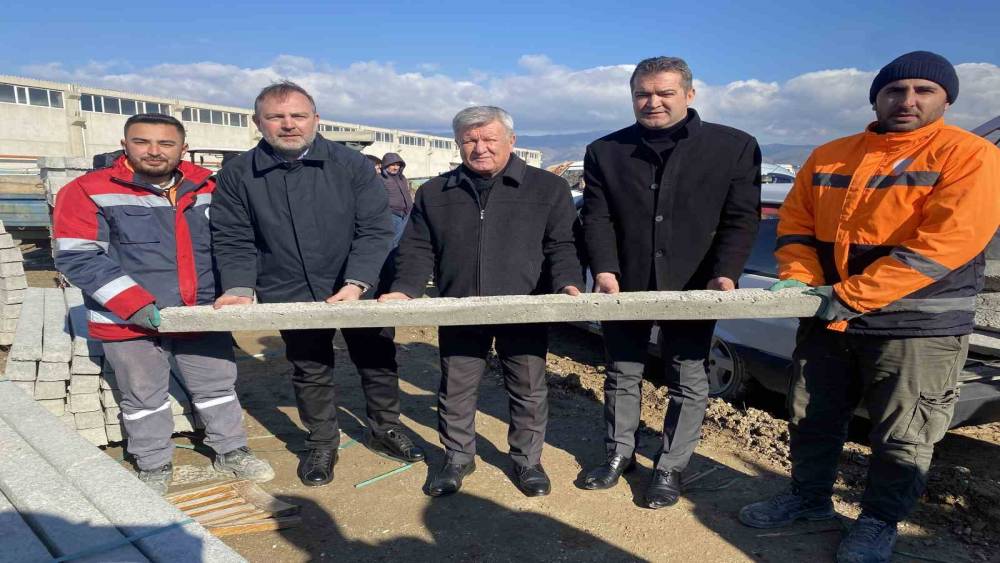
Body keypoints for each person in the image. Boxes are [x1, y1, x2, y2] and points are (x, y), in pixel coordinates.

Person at [738, 51, 1000, 563]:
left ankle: (879, 522)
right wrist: (803, 284)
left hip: (916, 327)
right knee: (811, 416)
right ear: (875, 98)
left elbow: (945, 244)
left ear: (946, 100)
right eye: (894, 90)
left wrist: (845, 297)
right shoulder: (830, 156)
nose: (907, 100)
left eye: (924, 90)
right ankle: (809, 500)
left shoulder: (969, 156)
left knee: (904, 433)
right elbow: (795, 227)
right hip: (828, 321)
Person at [210, 81, 425, 488]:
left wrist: (357, 282)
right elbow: (233, 237)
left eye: (298, 115)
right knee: (310, 367)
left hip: (359, 282)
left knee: (377, 358)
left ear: (316, 119)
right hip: (288, 285)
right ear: (258, 122)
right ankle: (322, 440)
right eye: (276, 117)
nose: (288, 124)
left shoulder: (351, 165)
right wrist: (239, 286)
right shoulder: (239, 174)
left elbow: (375, 228)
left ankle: (385, 427)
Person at [52, 113, 274, 494]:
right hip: (126, 319)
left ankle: (231, 450)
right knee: (143, 395)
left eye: (166, 143)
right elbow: (79, 256)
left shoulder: (208, 188)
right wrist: (133, 303)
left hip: (198, 313)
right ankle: (153, 463)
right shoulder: (89, 190)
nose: (154, 151)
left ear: (183, 148)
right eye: (142, 142)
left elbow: (232, 244)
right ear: (125, 145)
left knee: (217, 385)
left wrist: (235, 290)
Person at [580, 56, 761, 508]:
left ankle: (670, 466)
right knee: (622, 372)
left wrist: (725, 273)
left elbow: (741, 218)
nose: (653, 102)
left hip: (695, 283)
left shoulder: (733, 147)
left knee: (687, 375)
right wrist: (604, 270)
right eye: (643, 94)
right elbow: (597, 217)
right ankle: (619, 453)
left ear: (689, 94)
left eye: (665, 93)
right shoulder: (605, 151)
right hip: (626, 282)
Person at [380, 106, 583, 497]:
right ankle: (458, 457)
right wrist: (405, 287)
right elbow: (418, 247)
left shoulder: (547, 188)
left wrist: (568, 283)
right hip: (460, 306)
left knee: (527, 387)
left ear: (511, 140)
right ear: (458, 144)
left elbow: (561, 244)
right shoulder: (436, 192)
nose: (480, 148)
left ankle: (527, 460)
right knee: (456, 387)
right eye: (469, 140)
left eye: (489, 139)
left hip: (523, 307)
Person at [379, 152, 413, 247]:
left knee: (403, 241)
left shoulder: (402, 178)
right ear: (386, 165)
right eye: (393, 165)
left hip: (406, 214)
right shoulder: (380, 179)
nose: (396, 167)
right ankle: (390, 256)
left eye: (398, 165)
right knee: (392, 241)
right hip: (392, 214)